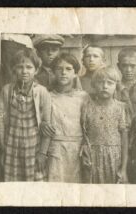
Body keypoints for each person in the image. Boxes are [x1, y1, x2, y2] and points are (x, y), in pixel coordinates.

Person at [0, 49, 51, 182]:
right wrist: (4, 148)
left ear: (36, 70)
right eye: (20, 67)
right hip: (12, 147)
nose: (24, 71)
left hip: (34, 148)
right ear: (14, 69)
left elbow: (47, 125)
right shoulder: (7, 90)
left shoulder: (42, 92)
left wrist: (42, 153)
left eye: (29, 67)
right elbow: (1, 120)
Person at [41, 53, 89, 182]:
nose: (63, 72)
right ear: (53, 73)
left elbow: (89, 125)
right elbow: (39, 118)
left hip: (78, 149)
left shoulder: (83, 97)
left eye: (68, 69)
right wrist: (42, 124)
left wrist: (86, 145)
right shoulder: (47, 96)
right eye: (59, 69)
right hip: (55, 149)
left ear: (75, 73)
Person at [80, 66, 128, 184]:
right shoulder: (87, 107)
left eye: (109, 83)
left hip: (114, 157)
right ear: (94, 85)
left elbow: (125, 140)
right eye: (100, 83)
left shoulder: (120, 108)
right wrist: (85, 152)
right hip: (93, 157)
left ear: (116, 86)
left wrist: (123, 168)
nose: (105, 86)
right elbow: (84, 134)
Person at [116, 47, 136, 126]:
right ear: (118, 66)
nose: (128, 70)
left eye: (132, 66)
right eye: (124, 66)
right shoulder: (115, 88)